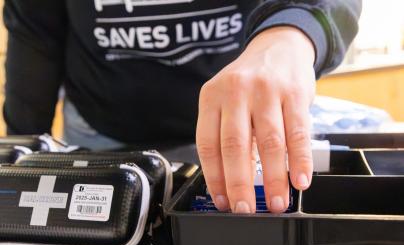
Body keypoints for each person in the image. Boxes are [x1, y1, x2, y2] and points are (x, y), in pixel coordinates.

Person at [3, 0, 361, 213]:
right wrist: (20, 151)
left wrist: (292, 31)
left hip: (240, 126)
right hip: (102, 128)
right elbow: (35, 35)